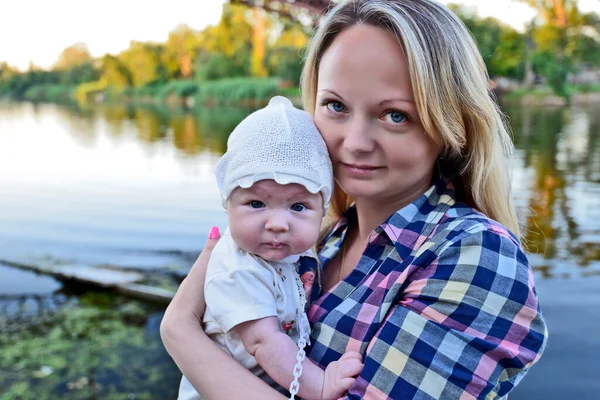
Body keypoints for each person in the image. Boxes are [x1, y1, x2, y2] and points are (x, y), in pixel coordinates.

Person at [161, 0, 548, 399]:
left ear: (451, 124)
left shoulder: (476, 256)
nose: (356, 143)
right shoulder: (323, 239)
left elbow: (196, 334)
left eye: (395, 115)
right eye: (336, 106)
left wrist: (181, 335)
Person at [177, 96, 363, 400]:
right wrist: (321, 384)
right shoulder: (238, 269)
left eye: (299, 206)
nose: (278, 223)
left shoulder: (299, 250)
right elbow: (264, 342)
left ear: (322, 209)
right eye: (256, 203)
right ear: (227, 205)